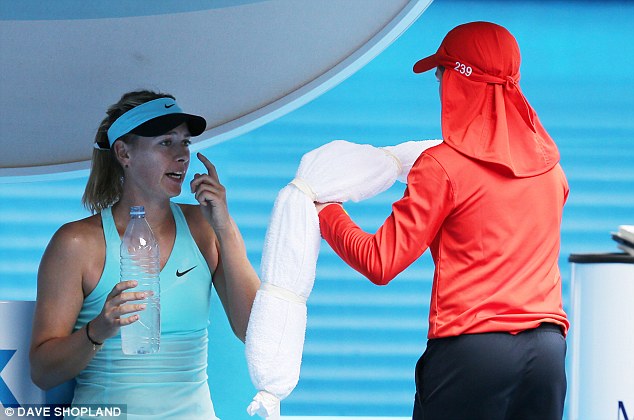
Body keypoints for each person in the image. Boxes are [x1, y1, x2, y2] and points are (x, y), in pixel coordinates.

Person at [316, 22, 569, 419]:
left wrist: (325, 211)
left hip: (472, 354)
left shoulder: (442, 167)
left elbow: (379, 262)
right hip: (548, 353)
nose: (439, 87)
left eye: (441, 74)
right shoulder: (552, 170)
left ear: (459, 81)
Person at [30, 90, 260, 419]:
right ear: (124, 152)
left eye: (185, 143)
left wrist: (225, 228)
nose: (182, 156)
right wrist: (97, 330)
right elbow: (42, 372)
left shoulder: (204, 227)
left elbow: (256, 332)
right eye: (166, 143)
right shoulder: (77, 243)